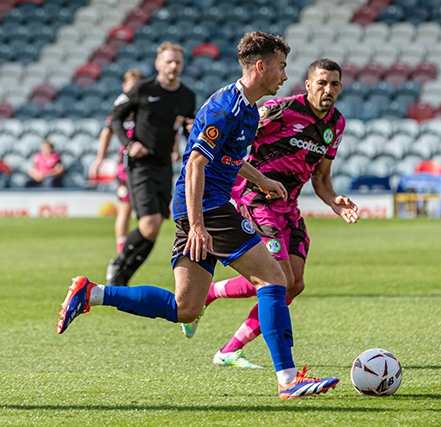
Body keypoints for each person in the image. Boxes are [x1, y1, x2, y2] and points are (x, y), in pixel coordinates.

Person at [56, 30, 340, 400]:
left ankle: (92, 293)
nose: (284, 76)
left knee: (185, 308)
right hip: (207, 206)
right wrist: (199, 225)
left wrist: (262, 179)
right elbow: (194, 165)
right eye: (281, 67)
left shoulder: (250, 111)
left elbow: (230, 159)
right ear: (261, 66)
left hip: (201, 207)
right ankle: (288, 380)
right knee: (274, 279)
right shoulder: (225, 106)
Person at [180, 59, 360, 370]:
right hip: (257, 199)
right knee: (278, 277)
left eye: (333, 84)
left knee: (295, 284)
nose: (327, 89)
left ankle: (229, 349)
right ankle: (209, 298)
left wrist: (333, 201)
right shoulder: (280, 110)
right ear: (308, 85)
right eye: (321, 83)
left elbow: (321, 177)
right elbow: (232, 136)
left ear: (340, 88)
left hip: (288, 206)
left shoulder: (336, 125)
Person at [106, 42, 196, 285]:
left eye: (177, 61)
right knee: (149, 223)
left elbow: (187, 129)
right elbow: (116, 116)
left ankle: (122, 277)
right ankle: (119, 262)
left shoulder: (187, 96)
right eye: (169, 61)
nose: (173, 65)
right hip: (140, 165)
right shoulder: (142, 89)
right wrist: (129, 143)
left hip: (165, 166)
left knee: (154, 228)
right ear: (158, 64)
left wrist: (191, 131)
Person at [90, 69, 145, 253]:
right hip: (126, 164)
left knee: (144, 210)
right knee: (125, 206)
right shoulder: (120, 106)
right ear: (124, 86)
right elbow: (107, 131)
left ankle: (136, 246)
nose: (133, 88)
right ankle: (122, 248)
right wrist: (100, 159)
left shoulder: (146, 106)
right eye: (131, 84)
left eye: (137, 84)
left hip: (147, 164)